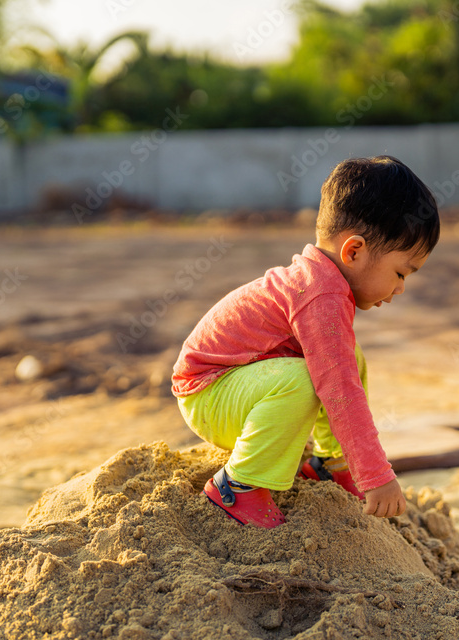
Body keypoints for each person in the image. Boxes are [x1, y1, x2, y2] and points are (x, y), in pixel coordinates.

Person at [171, 155, 440, 528]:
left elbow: (342, 374)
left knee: (349, 357)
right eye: (400, 273)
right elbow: (340, 391)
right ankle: (237, 487)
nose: (399, 288)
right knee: (309, 378)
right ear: (354, 251)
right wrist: (376, 476)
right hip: (209, 394)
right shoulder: (321, 295)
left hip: (235, 386)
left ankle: (331, 463)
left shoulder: (324, 283)